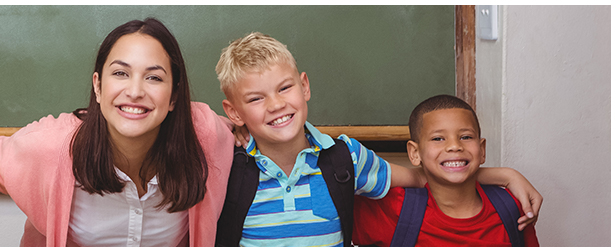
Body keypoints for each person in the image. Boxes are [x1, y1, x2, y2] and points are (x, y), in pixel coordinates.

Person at [213, 32, 542, 246]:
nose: (276, 105)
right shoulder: (224, 160)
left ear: (305, 86)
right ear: (235, 111)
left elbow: (424, 176)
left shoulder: (346, 158)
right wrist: (225, 128)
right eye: (256, 99)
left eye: (285, 88)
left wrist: (504, 175)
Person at [0, 18, 235, 246]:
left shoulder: (205, 136)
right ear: (98, 86)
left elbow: (248, 122)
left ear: (175, 96)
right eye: (120, 73)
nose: (135, 91)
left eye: (153, 77)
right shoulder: (51, 146)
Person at [352, 95, 539, 246]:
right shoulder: (392, 207)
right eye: (438, 139)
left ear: (482, 150)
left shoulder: (511, 207)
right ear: (415, 152)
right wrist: (505, 175)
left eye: (465, 136)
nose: (454, 146)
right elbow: (335, 175)